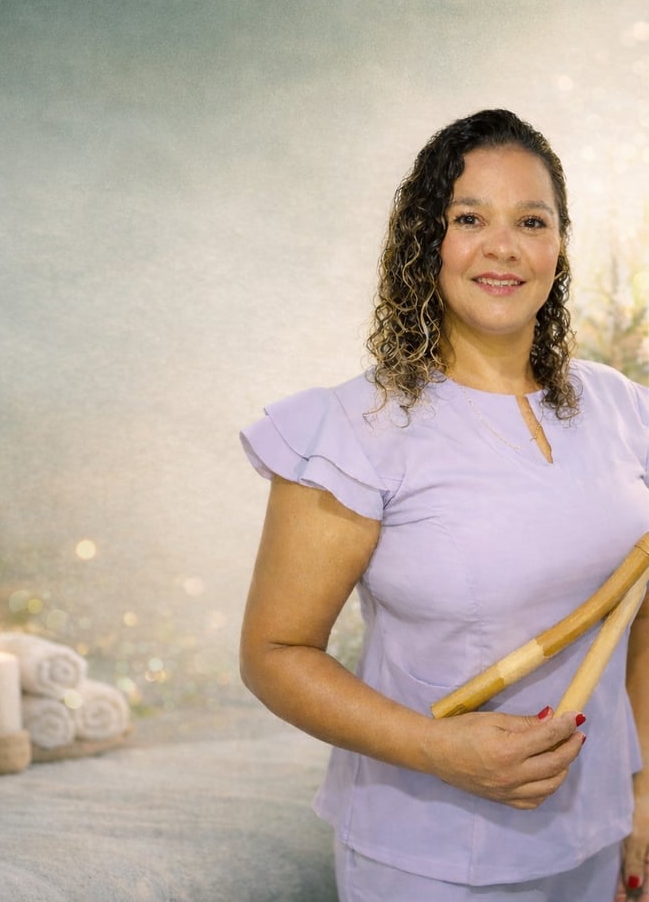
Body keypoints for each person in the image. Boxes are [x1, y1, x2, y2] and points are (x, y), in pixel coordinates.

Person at [239, 108, 649, 902]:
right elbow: (275, 653)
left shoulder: (624, 410)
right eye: (469, 219)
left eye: (531, 221)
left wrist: (641, 790)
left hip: (594, 840)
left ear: (559, 246)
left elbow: (641, 618)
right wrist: (438, 750)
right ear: (426, 241)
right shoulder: (355, 427)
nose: (503, 246)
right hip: (427, 855)